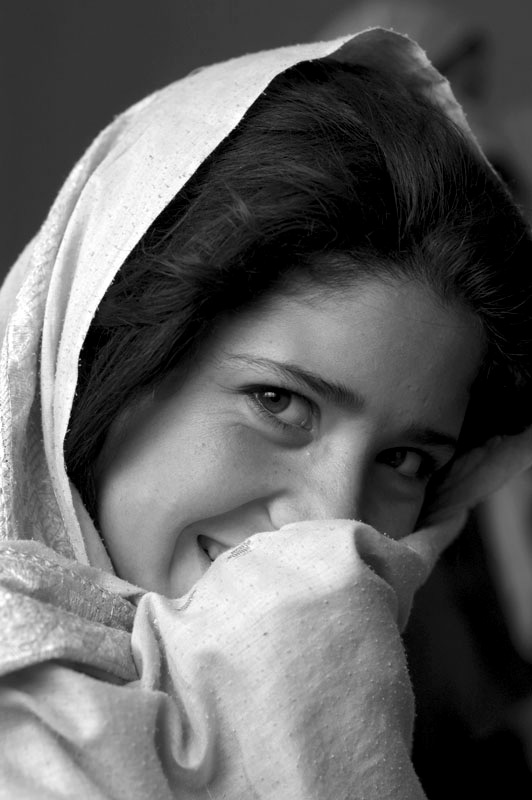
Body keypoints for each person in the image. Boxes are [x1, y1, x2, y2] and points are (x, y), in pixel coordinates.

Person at [1, 27, 532, 799]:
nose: (333, 524)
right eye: (281, 403)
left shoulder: (405, 712)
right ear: (104, 359)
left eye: (406, 460)